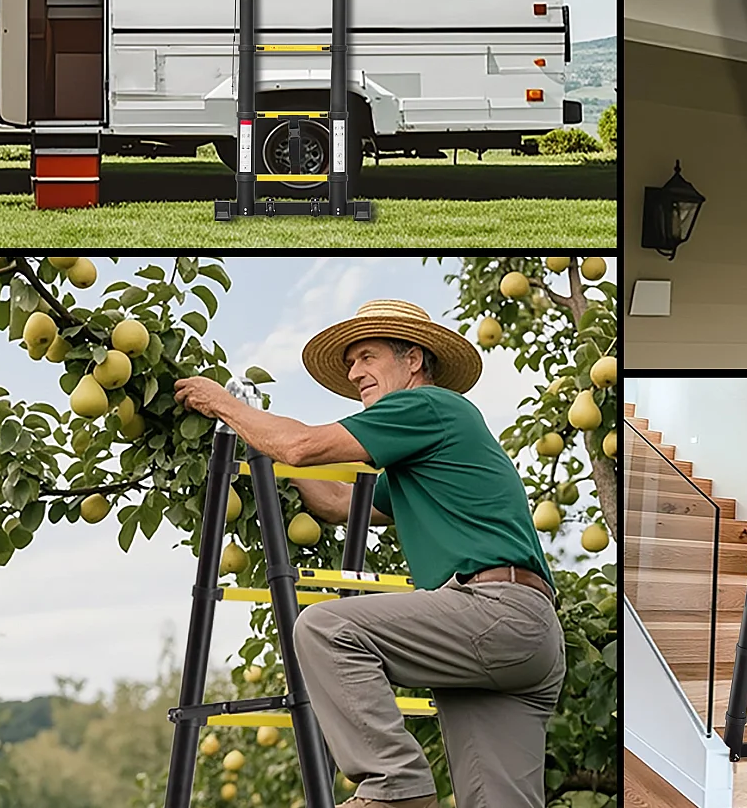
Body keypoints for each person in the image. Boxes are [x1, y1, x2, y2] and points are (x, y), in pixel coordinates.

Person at [174, 299, 564, 808]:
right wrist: (266, 451)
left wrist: (227, 407)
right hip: (523, 640)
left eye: (367, 357)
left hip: (493, 615)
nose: (355, 372)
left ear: (413, 359)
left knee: (324, 629)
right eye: (351, 362)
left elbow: (302, 446)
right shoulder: (422, 451)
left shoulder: (427, 406)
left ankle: (393, 782)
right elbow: (338, 503)